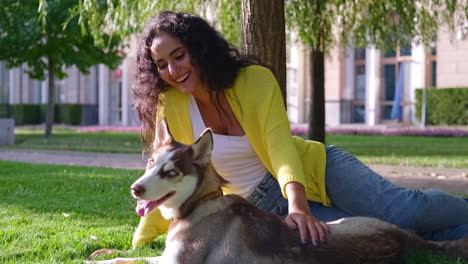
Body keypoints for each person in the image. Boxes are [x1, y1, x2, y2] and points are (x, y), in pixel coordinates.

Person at [131, 10, 468, 248]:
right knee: (390, 231)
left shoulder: (253, 81)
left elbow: (280, 147)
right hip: (262, 208)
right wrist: (142, 240)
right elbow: (170, 176)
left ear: (199, 49)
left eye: (179, 55)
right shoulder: (172, 105)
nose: (173, 70)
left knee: (407, 210)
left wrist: (298, 206)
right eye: (162, 64)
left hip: (317, 170)